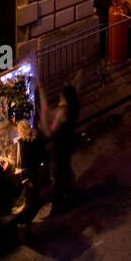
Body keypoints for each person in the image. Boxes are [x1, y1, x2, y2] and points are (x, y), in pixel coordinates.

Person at [40, 84, 79, 214]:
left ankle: (58, 203)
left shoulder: (63, 111)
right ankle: (67, 192)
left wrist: (43, 115)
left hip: (60, 145)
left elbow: (50, 132)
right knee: (65, 167)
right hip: (68, 142)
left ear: (64, 97)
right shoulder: (73, 108)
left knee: (58, 172)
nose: (59, 98)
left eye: (61, 96)